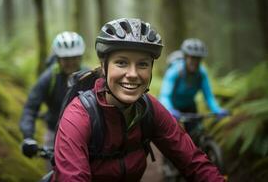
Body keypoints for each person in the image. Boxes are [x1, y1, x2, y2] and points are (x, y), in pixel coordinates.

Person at [52, 18, 225, 181]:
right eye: (121, 63)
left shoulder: (149, 108)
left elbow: (194, 162)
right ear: (104, 66)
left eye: (142, 64)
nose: (133, 74)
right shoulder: (78, 117)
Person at [19, 31, 86, 159]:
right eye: (66, 59)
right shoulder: (49, 78)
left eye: (74, 57)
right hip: (54, 135)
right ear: (58, 58)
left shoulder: (88, 77)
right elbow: (30, 108)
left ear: (80, 57)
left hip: (85, 134)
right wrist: (28, 137)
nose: (70, 62)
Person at [159, 38, 228, 131]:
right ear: (185, 57)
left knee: (197, 132)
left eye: (198, 59)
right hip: (173, 108)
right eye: (192, 58)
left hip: (190, 108)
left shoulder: (201, 73)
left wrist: (217, 110)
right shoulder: (174, 71)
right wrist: (169, 109)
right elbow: (165, 96)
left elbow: (208, 96)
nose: (195, 62)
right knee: (174, 135)